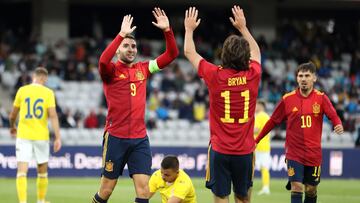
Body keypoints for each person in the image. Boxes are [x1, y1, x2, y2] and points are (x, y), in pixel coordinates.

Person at [92, 7, 179, 203]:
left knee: (143, 191)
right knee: (106, 190)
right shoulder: (111, 71)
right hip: (116, 137)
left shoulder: (144, 68)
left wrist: (167, 31)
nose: (131, 49)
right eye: (126, 46)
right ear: (118, 50)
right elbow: (102, 60)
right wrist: (121, 34)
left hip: (140, 139)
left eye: (133, 46)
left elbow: (172, 54)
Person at [184, 6, 261, 203]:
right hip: (245, 150)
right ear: (245, 57)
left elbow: (189, 52)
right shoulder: (253, 75)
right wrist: (243, 28)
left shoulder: (214, 75)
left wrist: (189, 29)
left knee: (220, 197)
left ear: (223, 54)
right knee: (243, 198)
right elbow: (257, 52)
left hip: (220, 150)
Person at [255, 62, 344, 203]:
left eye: (307, 75)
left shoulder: (321, 98)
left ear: (314, 78)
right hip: (294, 153)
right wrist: (257, 140)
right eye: (300, 76)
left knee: (311, 189)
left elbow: (333, 115)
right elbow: (273, 121)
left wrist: (338, 123)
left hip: (313, 154)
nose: (303, 79)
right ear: (296, 78)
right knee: (296, 186)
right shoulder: (287, 99)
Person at [9, 67, 62, 203]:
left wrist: (12, 126)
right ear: (44, 78)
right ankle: (40, 200)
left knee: (22, 171)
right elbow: (53, 116)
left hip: (23, 135)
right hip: (41, 136)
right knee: (42, 171)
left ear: (34, 76)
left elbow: (13, 115)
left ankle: (22, 202)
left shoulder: (22, 90)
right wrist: (57, 137)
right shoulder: (48, 93)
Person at [253, 100, 271, 195]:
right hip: (264, 145)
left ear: (261, 106)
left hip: (260, 145)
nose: (255, 107)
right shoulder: (265, 116)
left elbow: (256, 129)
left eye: (257, 105)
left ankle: (266, 187)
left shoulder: (261, 116)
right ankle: (265, 186)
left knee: (263, 167)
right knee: (263, 167)